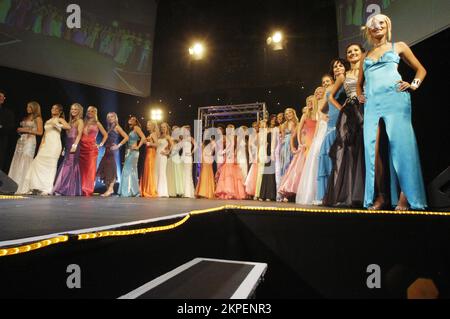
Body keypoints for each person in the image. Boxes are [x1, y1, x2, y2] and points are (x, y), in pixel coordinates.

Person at [357, 14, 427, 210]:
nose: (377, 26)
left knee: (402, 146)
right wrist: (359, 95)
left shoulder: (399, 46)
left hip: (396, 99)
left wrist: (413, 85)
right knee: (373, 149)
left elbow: (421, 70)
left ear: (388, 26)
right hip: (372, 104)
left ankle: (406, 195)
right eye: (373, 24)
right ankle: (381, 196)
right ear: (369, 30)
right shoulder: (365, 55)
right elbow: (358, 84)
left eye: (381, 23)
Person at [323, 43, 365, 207]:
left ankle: (364, 191)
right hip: (350, 114)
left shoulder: (365, 70)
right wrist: (343, 108)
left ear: (362, 53)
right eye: (349, 51)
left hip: (365, 109)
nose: (353, 53)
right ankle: (349, 193)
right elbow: (330, 97)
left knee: (362, 150)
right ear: (347, 56)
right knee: (348, 151)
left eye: (356, 50)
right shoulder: (343, 75)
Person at [21, 104, 65, 195]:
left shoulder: (60, 119)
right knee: (36, 163)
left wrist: (57, 124)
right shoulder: (48, 121)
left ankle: (47, 188)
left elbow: (68, 127)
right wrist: (40, 147)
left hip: (55, 145)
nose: (53, 109)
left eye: (56, 108)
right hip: (46, 145)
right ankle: (35, 187)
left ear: (60, 111)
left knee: (50, 166)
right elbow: (44, 135)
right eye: (52, 108)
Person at [8, 101, 43, 194]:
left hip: (30, 141)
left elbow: (40, 132)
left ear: (34, 108)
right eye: (27, 107)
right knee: (17, 160)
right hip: (21, 141)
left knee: (25, 160)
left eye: (29, 107)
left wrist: (26, 130)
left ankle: (23, 186)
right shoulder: (27, 117)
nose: (27, 108)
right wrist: (20, 131)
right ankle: (14, 185)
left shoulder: (38, 118)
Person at [53, 103, 84, 196]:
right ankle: (68, 188)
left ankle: (64, 188)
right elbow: (67, 135)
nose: (73, 111)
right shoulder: (70, 121)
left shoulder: (80, 121)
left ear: (79, 111)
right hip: (68, 144)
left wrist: (75, 145)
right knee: (67, 165)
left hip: (75, 144)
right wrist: (65, 147)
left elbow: (79, 134)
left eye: (75, 109)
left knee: (70, 165)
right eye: (72, 109)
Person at [97, 112, 129, 197]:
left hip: (112, 151)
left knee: (111, 170)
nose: (110, 118)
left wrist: (118, 145)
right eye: (109, 117)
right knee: (106, 170)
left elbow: (126, 137)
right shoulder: (109, 128)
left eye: (112, 117)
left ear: (115, 118)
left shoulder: (117, 127)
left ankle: (110, 189)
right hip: (107, 150)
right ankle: (110, 189)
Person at [79, 106, 108, 196]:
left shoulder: (97, 123)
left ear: (95, 113)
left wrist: (100, 144)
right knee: (81, 170)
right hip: (81, 148)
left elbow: (105, 135)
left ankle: (87, 189)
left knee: (90, 169)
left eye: (92, 111)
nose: (90, 112)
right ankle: (79, 188)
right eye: (88, 111)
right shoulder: (83, 122)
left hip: (91, 149)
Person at [118, 116, 146, 197]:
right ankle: (130, 190)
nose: (131, 119)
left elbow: (143, 137)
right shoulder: (128, 129)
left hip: (134, 152)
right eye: (130, 118)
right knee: (127, 170)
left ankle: (129, 191)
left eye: (133, 119)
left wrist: (138, 146)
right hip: (128, 152)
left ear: (136, 122)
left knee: (129, 170)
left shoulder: (136, 128)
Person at [140, 120, 159, 198]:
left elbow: (157, 144)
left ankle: (150, 189)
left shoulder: (153, 134)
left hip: (151, 154)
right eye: (147, 125)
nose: (147, 126)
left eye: (149, 125)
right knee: (148, 170)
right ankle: (147, 189)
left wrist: (149, 143)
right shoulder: (150, 134)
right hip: (148, 153)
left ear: (153, 126)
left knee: (150, 171)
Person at [0, 90, 15, 172]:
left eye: (2, 97)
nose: (1, 98)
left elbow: (10, 127)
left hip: (1, 141)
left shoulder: (8, 113)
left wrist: (1, 127)